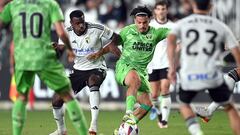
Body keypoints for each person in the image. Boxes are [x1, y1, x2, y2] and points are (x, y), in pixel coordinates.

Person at [0, 1, 88, 135]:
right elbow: (62, 33)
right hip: (44, 56)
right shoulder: (50, 4)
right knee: (67, 95)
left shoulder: (14, 5)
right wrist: (70, 49)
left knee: (21, 97)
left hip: (22, 58)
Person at [167, 0, 240, 135]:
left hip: (189, 75)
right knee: (230, 108)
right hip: (212, 75)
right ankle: (209, 111)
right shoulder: (220, 26)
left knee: (183, 103)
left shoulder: (183, 24)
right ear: (211, 7)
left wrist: (172, 68)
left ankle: (197, 132)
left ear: (193, 5)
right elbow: (236, 51)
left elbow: (171, 42)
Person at [49, 10, 121, 135]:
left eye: (82, 22)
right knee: (56, 99)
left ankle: (93, 127)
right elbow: (60, 52)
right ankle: (61, 130)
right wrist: (54, 50)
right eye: (77, 23)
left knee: (93, 81)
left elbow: (117, 38)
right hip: (78, 70)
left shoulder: (97, 28)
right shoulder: (65, 33)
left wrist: (106, 49)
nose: (81, 25)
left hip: (97, 67)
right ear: (71, 23)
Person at [111, 6, 169, 134]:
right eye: (139, 22)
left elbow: (173, 33)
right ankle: (129, 113)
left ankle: (123, 129)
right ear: (134, 21)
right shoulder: (126, 31)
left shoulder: (155, 33)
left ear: (149, 20)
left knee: (147, 104)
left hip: (141, 72)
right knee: (134, 80)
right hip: (125, 67)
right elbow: (112, 43)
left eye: (145, 22)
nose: (142, 25)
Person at [147, 0, 174, 128]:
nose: (161, 11)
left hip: (166, 63)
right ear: (155, 11)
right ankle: (159, 114)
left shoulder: (173, 26)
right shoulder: (149, 26)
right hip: (152, 64)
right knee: (154, 95)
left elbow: (178, 44)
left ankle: (165, 120)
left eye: (163, 9)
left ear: (166, 10)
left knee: (165, 89)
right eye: (159, 9)